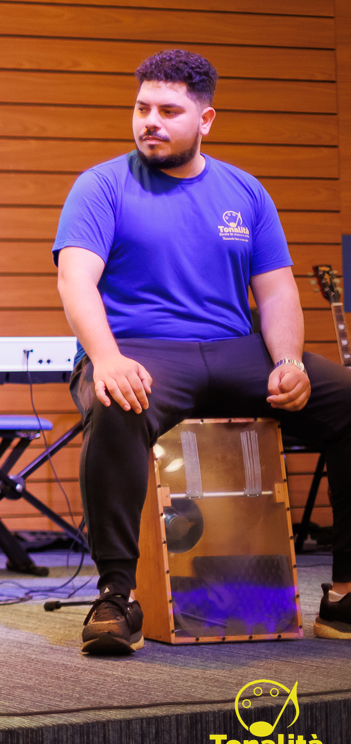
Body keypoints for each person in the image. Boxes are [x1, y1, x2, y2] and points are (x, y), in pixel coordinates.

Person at [54, 49, 350, 655]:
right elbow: (75, 279)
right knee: (116, 401)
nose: (150, 122)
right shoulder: (101, 185)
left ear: (206, 119)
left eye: (168, 111)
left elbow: (276, 291)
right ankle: (117, 595)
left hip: (235, 350)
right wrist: (105, 358)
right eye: (142, 108)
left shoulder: (245, 191)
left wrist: (289, 362)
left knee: (347, 400)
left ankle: (344, 592)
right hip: (140, 349)